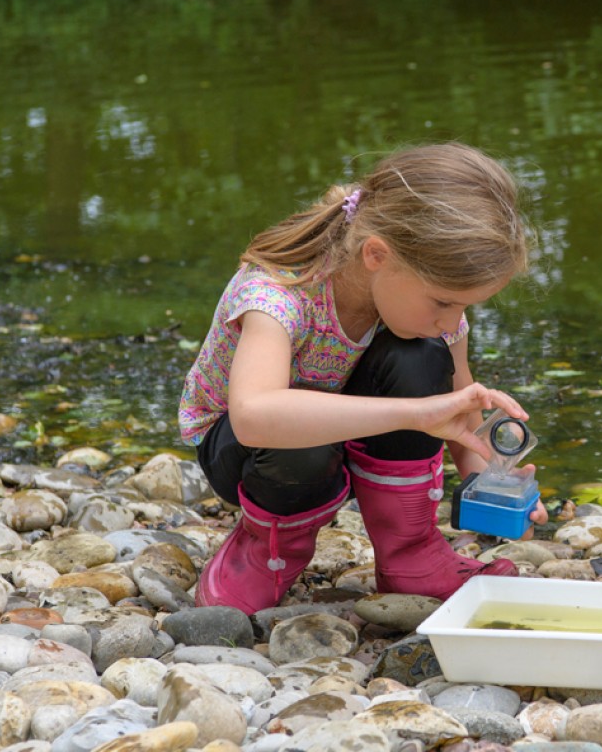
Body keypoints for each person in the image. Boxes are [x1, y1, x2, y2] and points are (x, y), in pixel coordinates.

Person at [179, 142, 547, 614]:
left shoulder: (423, 306)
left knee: (423, 357)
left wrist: (493, 482)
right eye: (443, 302)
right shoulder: (277, 292)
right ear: (377, 255)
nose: (451, 320)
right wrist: (416, 414)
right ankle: (266, 552)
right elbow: (255, 415)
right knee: (303, 441)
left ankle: (409, 553)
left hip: (353, 440)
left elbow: (458, 398)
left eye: (464, 306)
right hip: (248, 449)